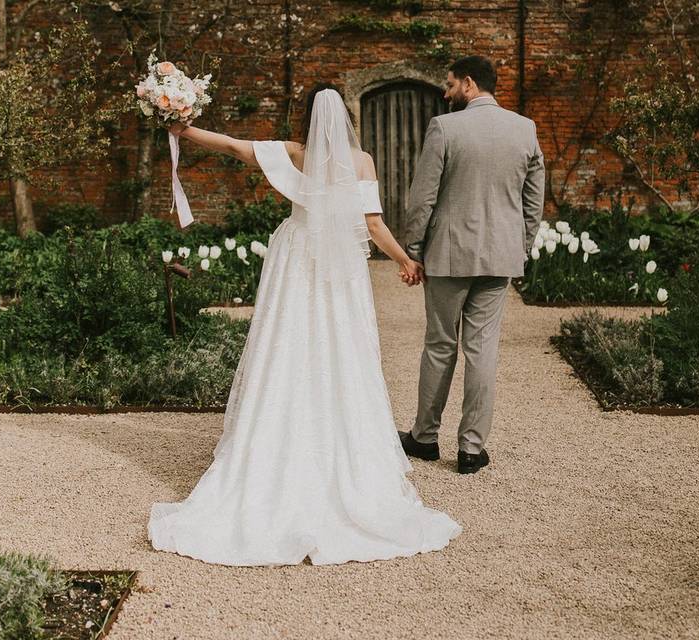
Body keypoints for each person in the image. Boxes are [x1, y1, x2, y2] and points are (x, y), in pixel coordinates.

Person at [147, 84, 462, 566]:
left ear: (307, 117)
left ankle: (274, 443)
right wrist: (405, 261)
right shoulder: (363, 162)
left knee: (287, 347)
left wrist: (183, 129)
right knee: (342, 350)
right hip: (341, 271)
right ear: (345, 119)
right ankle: (341, 452)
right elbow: (374, 225)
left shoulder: (294, 154)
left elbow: (232, 146)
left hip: (296, 260)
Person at [399, 55, 546, 474]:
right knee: (482, 350)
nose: (445, 93)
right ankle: (470, 449)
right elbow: (533, 198)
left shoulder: (446, 127)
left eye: (449, 85)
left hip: (448, 254)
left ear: (468, 83)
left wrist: (414, 248)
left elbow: (423, 195)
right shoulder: (525, 129)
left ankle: (424, 438)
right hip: (500, 256)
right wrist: (521, 245)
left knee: (440, 345)